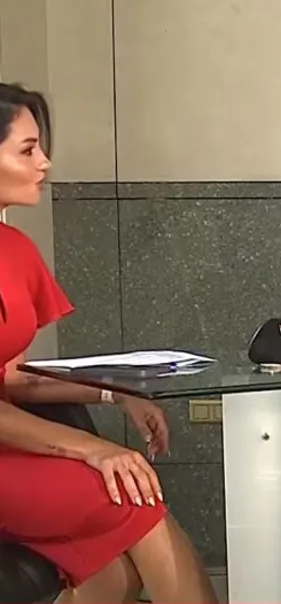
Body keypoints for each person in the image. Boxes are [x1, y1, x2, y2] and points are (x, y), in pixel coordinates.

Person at [0, 83, 217, 602]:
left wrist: (115, 394)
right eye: (27, 150)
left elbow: (13, 379)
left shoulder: (16, 249)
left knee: (123, 558)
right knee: (131, 495)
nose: (45, 162)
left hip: (11, 443)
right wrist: (94, 448)